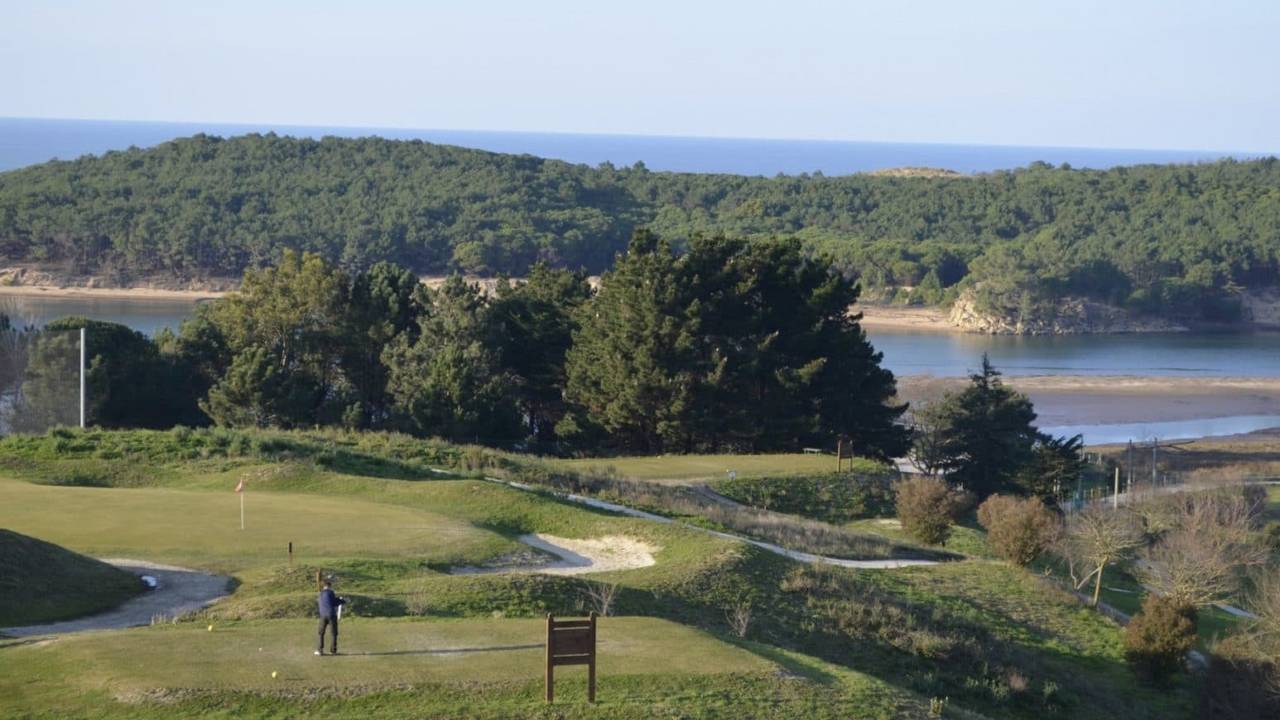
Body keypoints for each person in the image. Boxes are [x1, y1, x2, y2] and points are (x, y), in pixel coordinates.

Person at [315, 578, 346, 656]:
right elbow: (334, 602)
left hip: (322, 615)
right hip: (331, 614)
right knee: (333, 633)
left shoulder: (320, 594)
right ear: (329, 585)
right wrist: (342, 601)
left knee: (321, 633)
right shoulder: (330, 592)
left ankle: (320, 650)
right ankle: (333, 651)